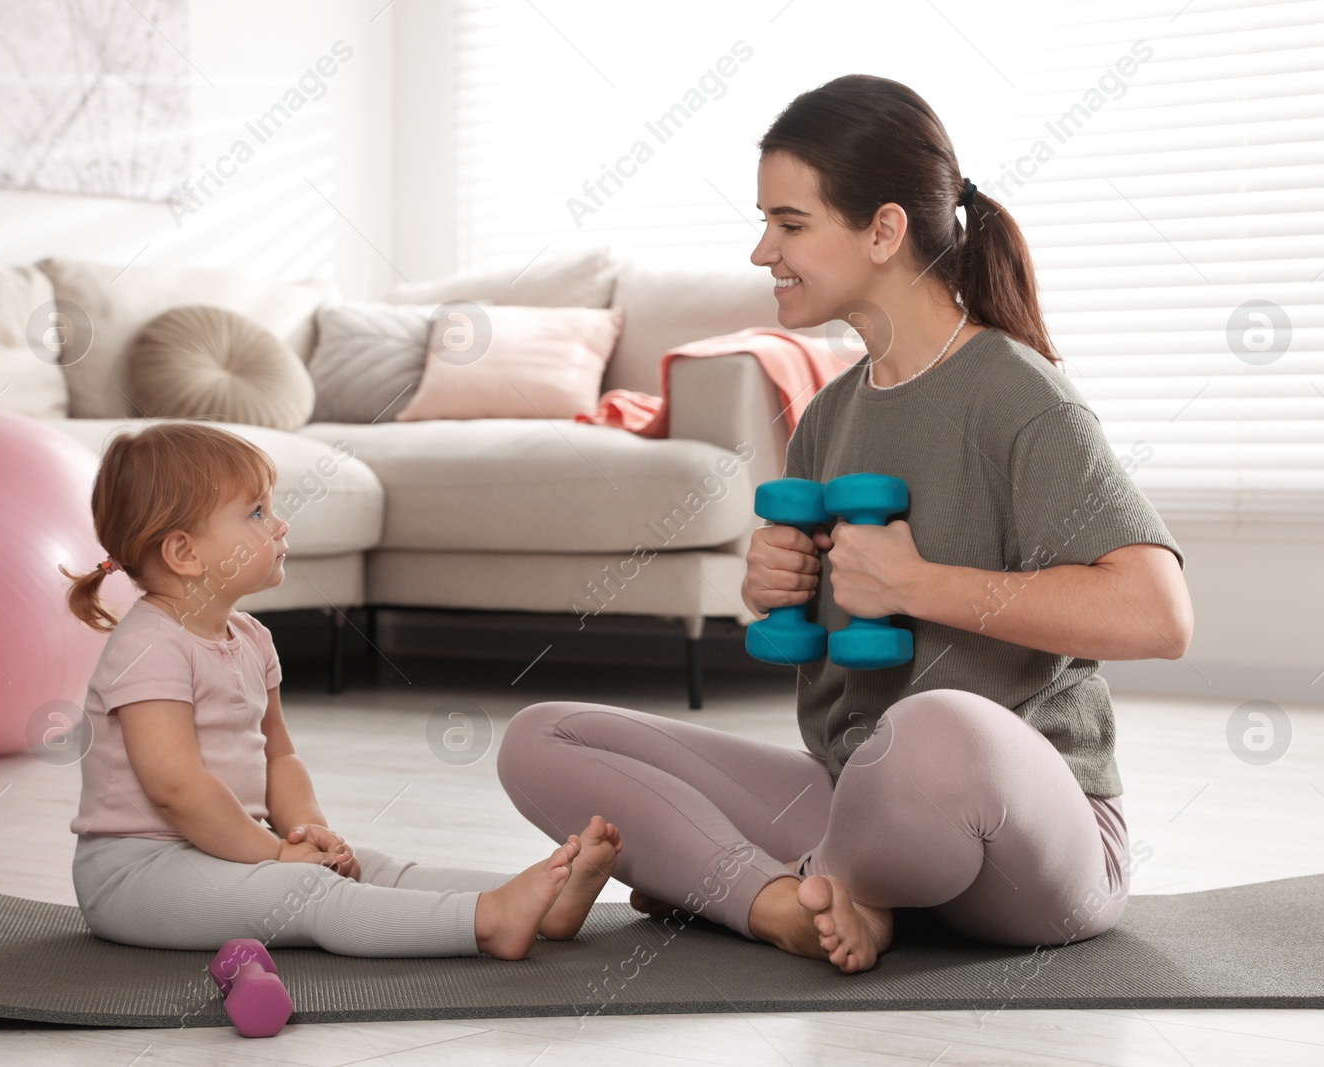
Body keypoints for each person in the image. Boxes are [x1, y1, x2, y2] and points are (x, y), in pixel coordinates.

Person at [496, 75, 1192, 974]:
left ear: (885, 229)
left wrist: (917, 585)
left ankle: (738, 877)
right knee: (542, 736)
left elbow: (1158, 615)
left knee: (939, 727)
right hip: (856, 795)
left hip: (1023, 836)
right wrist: (775, 591)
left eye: (789, 224)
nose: (761, 251)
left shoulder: (1018, 396)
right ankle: (780, 901)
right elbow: (839, 650)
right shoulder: (829, 413)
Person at [61, 420, 621, 958]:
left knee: (369, 865)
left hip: (225, 850)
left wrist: (311, 835)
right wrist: (276, 854)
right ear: (184, 553)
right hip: (136, 874)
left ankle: (540, 903)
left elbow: (278, 755)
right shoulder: (149, 646)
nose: (279, 525)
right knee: (302, 895)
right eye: (256, 513)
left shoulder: (251, 638)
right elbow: (176, 789)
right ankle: (487, 923)